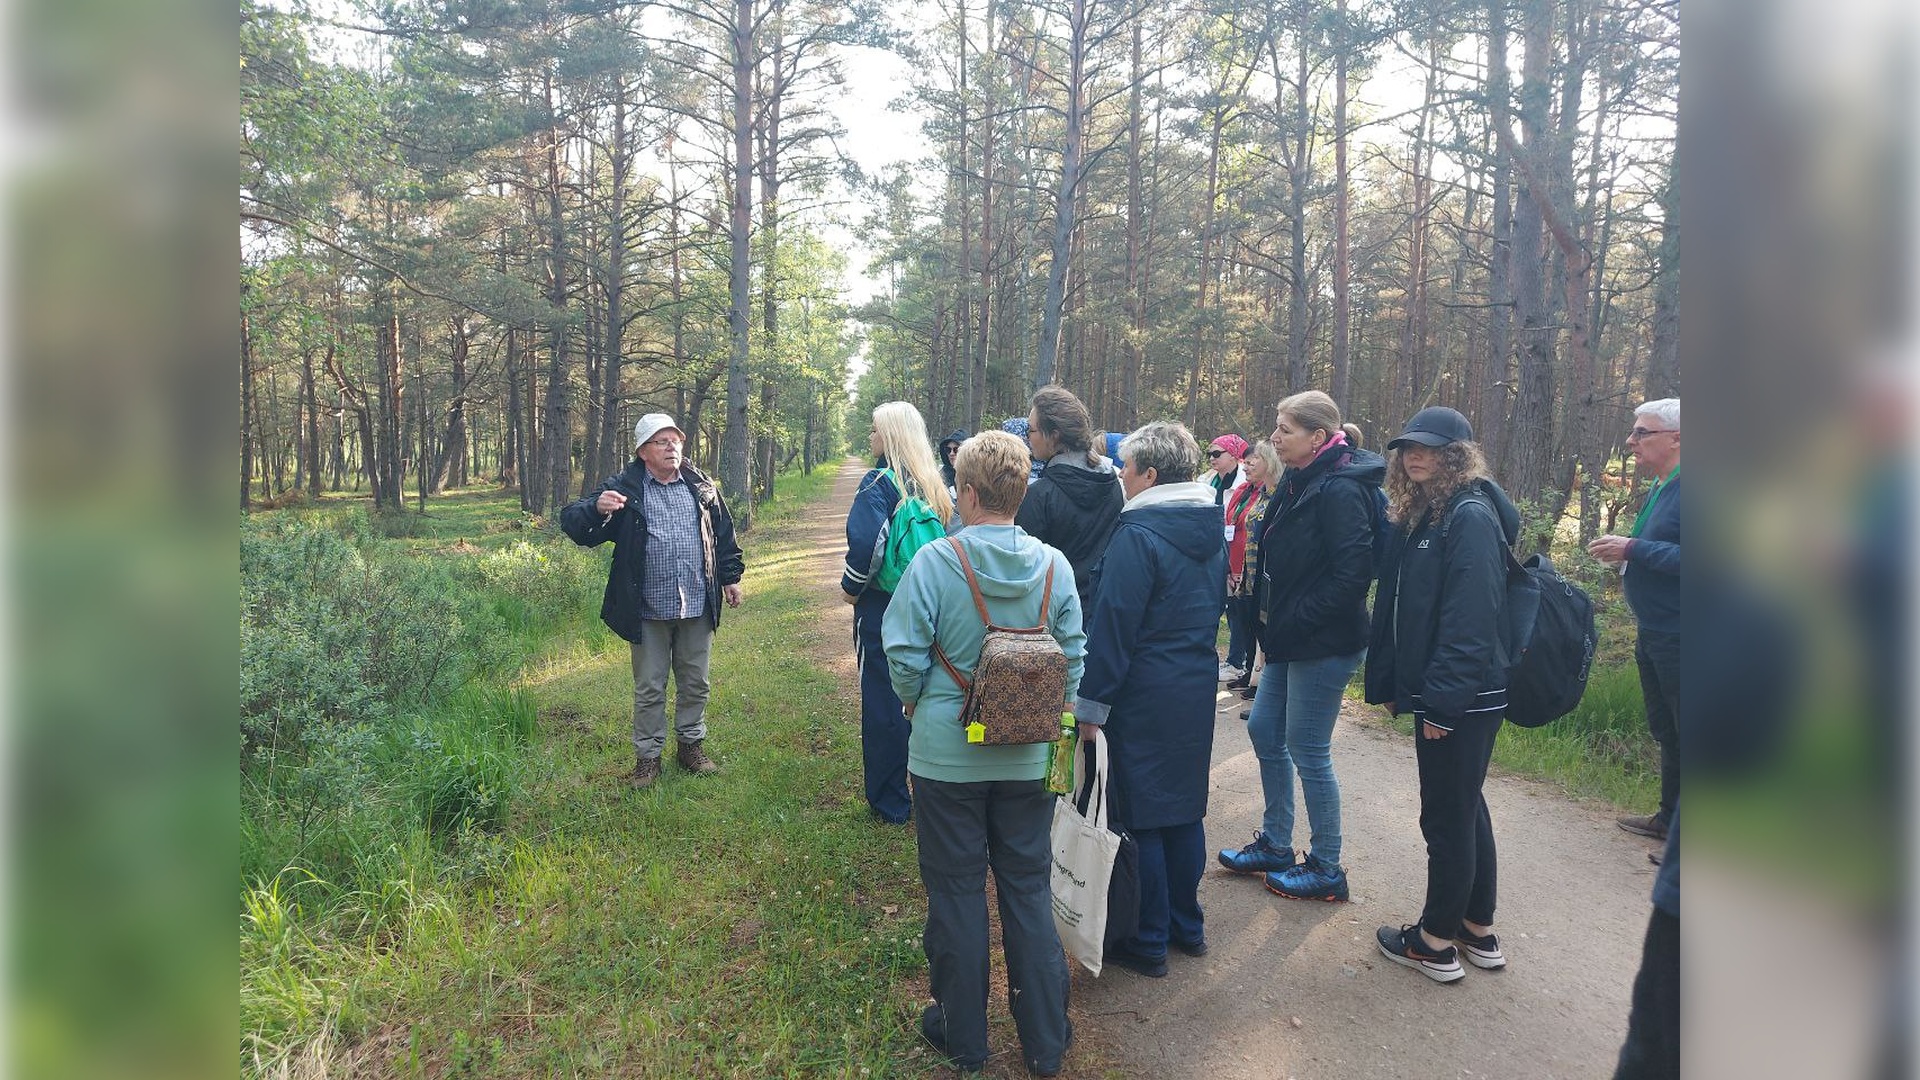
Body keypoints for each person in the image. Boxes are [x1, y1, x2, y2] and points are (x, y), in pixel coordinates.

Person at [881, 430, 1083, 1077]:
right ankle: (1045, 1041)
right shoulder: (1055, 566)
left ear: (967, 493)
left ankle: (963, 1037)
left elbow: (903, 652)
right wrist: (1050, 725)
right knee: (1027, 889)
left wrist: (914, 703)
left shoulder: (935, 563)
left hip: (947, 759)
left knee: (957, 893)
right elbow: (1073, 661)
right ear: (1020, 493)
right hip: (1029, 758)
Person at [1362, 406, 1519, 983]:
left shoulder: (1468, 515)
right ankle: (1476, 926)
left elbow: (1471, 618)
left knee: (1447, 817)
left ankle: (1433, 942)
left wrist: (1444, 702)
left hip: (1462, 695)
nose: (1415, 456)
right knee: (1466, 805)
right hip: (1453, 690)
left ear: (1458, 455)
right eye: (1408, 447)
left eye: (1430, 447)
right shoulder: (1433, 512)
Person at [1218, 392, 1384, 905]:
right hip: (1289, 638)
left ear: (1318, 437)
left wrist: (1294, 620)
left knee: (1308, 748)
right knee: (1266, 729)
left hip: (1324, 642)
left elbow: (1353, 576)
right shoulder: (1298, 479)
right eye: (1276, 425)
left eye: (1284, 429)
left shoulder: (1341, 490)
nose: (1274, 437)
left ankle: (1327, 867)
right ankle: (1276, 844)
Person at [1075, 421, 1227, 978]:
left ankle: (1148, 937)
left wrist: (1091, 706)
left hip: (1142, 691)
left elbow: (1114, 626)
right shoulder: (1207, 527)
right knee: (1183, 807)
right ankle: (1188, 925)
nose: (1121, 474)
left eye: (1127, 466)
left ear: (1151, 475)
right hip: (1193, 685)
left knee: (1141, 812)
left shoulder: (1139, 533)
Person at [561, 414, 745, 789]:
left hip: (696, 602)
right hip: (647, 607)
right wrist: (597, 508)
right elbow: (573, 523)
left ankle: (690, 747)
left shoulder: (700, 485)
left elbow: (723, 534)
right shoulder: (625, 489)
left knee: (696, 682)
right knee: (650, 687)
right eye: (662, 442)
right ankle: (648, 758)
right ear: (643, 451)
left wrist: (730, 577)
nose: (671, 447)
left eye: (675, 440)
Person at [841, 402, 955, 824]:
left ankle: (890, 801)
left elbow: (866, 545)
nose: (870, 436)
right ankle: (932, 787)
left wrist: (851, 589)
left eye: (874, 430)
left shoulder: (878, 483)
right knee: (927, 694)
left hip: (884, 606)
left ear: (888, 436)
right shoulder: (933, 483)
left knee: (883, 701)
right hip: (929, 602)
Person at [1587, 398, 1680, 843]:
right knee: (1668, 729)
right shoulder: (1666, 485)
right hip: (1657, 629)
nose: (1630, 441)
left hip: (1687, 633)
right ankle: (1670, 820)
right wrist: (1628, 552)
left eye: (1642, 432)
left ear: (1677, 439)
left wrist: (1633, 548)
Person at [1017, 385, 1125, 610]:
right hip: (1102, 610)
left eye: (1031, 430)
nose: (1027, 437)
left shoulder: (1040, 496)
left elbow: (1024, 572)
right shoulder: (1114, 485)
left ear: (1054, 436)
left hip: (1055, 615)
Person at [1220, 442, 1274, 687]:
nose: (1247, 466)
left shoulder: (1271, 494)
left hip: (1255, 568)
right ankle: (1248, 671)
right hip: (1238, 563)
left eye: (1253, 462)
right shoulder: (1243, 490)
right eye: (1246, 462)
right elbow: (1230, 522)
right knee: (1242, 617)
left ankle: (1255, 674)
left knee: (1256, 621)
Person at [938, 429, 968, 498]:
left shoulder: (974, 475)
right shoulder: (942, 476)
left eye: (956, 450)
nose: (951, 453)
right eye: (948, 450)